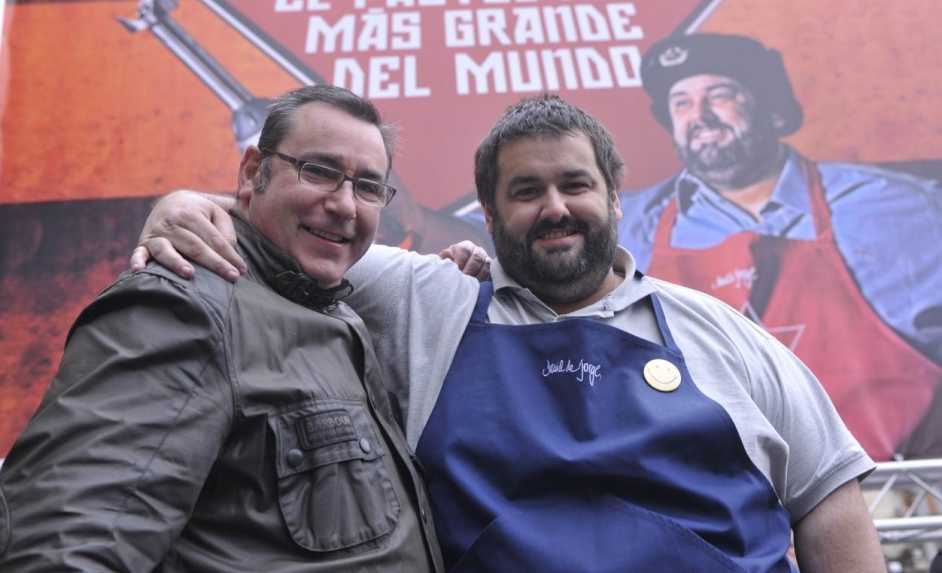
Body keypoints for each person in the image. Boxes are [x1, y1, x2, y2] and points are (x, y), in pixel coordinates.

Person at [133, 94, 885, 572]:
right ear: (488, 217)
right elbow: (288, 230)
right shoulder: (425, 299)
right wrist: (189, 205)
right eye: (526, 191)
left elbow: (827, 498)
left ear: (614, 200)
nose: (555, 207)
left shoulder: (723, 333)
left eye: (575, 184)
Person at [0, 85, 445, 572]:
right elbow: (62, 545)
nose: (346, 205)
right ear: (252, 172)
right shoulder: (182, 305)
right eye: (319, 171)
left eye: (368, 187)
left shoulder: (336, 307)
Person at [620, 32, 942, 461]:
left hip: (889, 487)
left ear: (771, 109)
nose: (700, 116)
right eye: (681, 103)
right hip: (707, 489)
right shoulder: (624, 226)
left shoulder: (900, 206)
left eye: (720, 96)